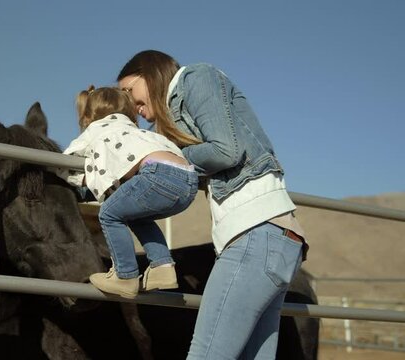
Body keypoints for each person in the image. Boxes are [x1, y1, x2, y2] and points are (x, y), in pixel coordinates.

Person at [117, 50, 308, 359]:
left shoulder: (194, 78)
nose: (131, 105)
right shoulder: (178, 122)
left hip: (254, 233)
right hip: (273, 237)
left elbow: (225, 150)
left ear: (149, 73)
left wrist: (162, 159)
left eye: (129, 91)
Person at [60, 85, 199, 299]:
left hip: (157, 174)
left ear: (88, 115)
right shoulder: (135, 132)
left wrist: (77, 182)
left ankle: (125, 276)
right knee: (136, 216)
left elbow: (65, 162)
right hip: (188, 181)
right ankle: (162, 267)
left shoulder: (97, 128)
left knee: (109, 213)